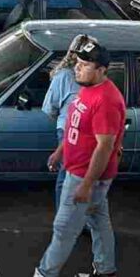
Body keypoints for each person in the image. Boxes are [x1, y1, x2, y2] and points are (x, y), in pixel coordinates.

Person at [34, 35, 125, 277]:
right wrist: (60, 151)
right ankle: (106, 269)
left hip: (85, 176)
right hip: (78, 171)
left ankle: (44, 273)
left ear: (101, 70)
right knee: (97, 218)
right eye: (78, 62)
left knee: (63, 228)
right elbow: (75, 127)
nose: (77, 67)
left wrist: (86, 184)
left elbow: (104, 146)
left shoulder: (105, 100)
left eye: (84, 65)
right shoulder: (87, 88)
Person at [41, 44, 80, 208]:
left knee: (66, 177)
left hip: (69, 130)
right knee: (71, 176)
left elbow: (50, 108)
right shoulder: (91, 80)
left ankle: (64, 218)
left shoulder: (63, 76)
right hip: (72, 131)